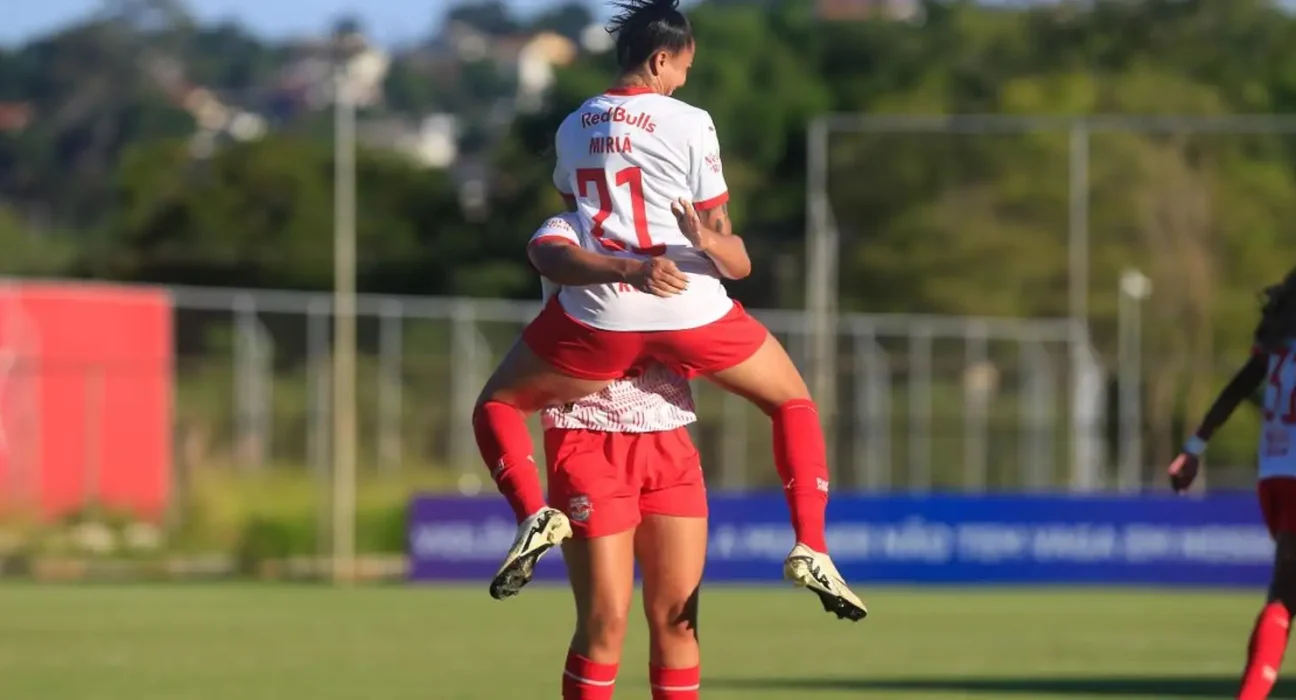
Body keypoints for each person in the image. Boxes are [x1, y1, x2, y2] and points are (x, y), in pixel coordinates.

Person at [474, 0, 865, 622]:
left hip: (600, 319)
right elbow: (725, 242)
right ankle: (812, 544)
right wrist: (705, 239)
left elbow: (570, 219)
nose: (684, 76)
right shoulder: (689, 121)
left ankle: (531, 511)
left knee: (497, 404)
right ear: (661, 60)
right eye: (683, 65)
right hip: (686, 308)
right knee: (792, 401)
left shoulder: (574, 125)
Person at [510, 212, 708, 700]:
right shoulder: (568, 226)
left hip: (668, 430)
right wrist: (628, 270)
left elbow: (720, 290)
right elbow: (547, 256)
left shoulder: (674, 224)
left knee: (680, 620)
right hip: (587, 431)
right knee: (605, 621)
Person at [1168, 266, 1296, 700]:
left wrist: (1193, 447)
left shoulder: (1279, 339)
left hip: (1275, 476)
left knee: (1283, 597)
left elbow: (1238, 387)